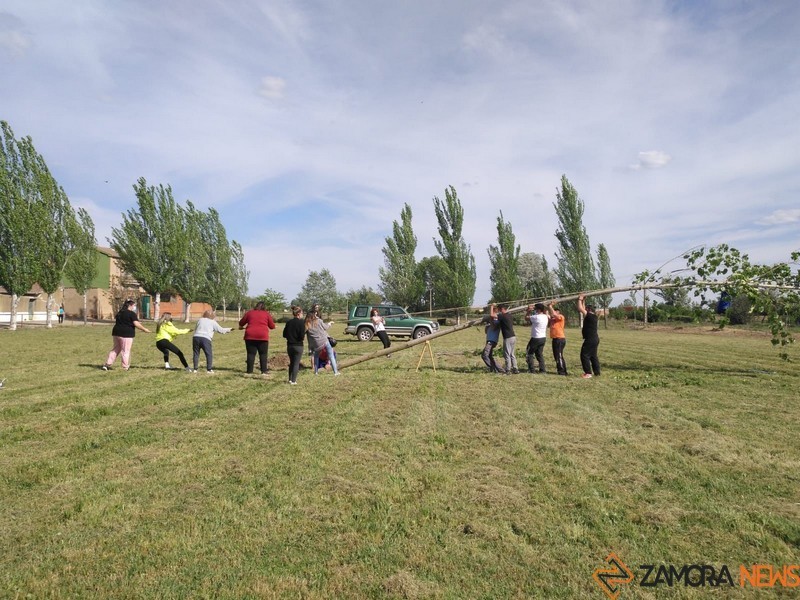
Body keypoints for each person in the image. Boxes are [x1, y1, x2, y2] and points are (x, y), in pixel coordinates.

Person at [102, 300, 151, 371]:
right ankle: (125, 366)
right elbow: (136, 324)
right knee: (125, 350)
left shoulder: (120, 312)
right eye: (134, 305)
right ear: (130, 305)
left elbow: (125, 321)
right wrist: (144, 329)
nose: (134, 307)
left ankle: (107, 364)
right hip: (126, 334)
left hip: (116, 333)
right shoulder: (131, 314)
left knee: (115, 349)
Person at [238, 301, 276, 376]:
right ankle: (264, 371)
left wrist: (242, 326)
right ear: (264, 307)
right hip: (262, 336)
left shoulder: (249, 313)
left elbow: (241, 323)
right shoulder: (266, 314)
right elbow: (272, 326)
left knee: (250, 354)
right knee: (263, 354)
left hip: (250, 335)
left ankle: (249, 371)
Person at [305, 311, 339, 375]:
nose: (316, 315)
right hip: (324, 341)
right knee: (331, 356)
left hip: (316, 344)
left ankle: (316, 372)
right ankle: (336, 372)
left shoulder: (307, 324)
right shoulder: (319, 321)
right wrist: (329, 323)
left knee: (316, 357)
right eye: (315, 314)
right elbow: (325, 327)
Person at [577, 294, 601, 378]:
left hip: (590, 339)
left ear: (589, 309)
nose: (585, 309)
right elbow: (583, 309)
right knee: (593, 356)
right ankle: (597, 372)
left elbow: (580, 308)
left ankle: (588, 373)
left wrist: (580, 299)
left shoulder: (589, 315)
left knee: (584, 355)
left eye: (586, 308)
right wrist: (583, 300)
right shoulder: (594, 316)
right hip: (595, 339)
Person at [283, 306, 305, 384]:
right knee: (296, 363)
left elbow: (284, 334)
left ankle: (290, 379)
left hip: (290, 345)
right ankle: (293, 381)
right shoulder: (301, 322)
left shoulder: (289, 322)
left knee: (292, 362)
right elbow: (302, 336)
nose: (303, 314)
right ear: (298, 314)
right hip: (298, 345)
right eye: (302, 313)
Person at [525, 303, 548, 373]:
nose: (535, 310)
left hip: (536, 337)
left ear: (539, 310)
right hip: (543, 337)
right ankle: (542, 370)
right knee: (539, 354)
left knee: (529, 353)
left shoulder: (536, 317)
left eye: (535, 309)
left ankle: (531, 370)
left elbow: (526, 318)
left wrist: (528, 311)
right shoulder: (545, 316)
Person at [496, 304, 519, 374]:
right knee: (512, 354)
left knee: (507, 354)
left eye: (499, 310)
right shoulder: (510, 315)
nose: (498, 311)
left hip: (507, 337)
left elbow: (492, 315)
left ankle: (508, 369)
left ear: (502, 309)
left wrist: (491, 307)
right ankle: (515, 368)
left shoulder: (502, 316)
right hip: (513, 336)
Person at [481, 304, 503, 373]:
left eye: (493, 310)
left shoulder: (497, 321)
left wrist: (491, 306)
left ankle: (493, 368)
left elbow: (493, 326)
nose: (492, 311)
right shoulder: (491, 322)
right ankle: (500, 369)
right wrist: (488, 325)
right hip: (489, 340)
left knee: (484, 355)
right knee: (490, 356)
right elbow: (486, 332)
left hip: (492, 341)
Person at [547, 303, 568, 376]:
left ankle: (562, 371)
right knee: (556, 356)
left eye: (555, 312)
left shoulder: (561, 317)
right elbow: (548, 315)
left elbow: (554, 315)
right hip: (555, 339)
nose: (553, 313)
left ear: (558, 312)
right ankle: (560, 369)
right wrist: (547, 308)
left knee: (559, 355)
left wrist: (550, 306)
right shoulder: (552, 319)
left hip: (560, 339)